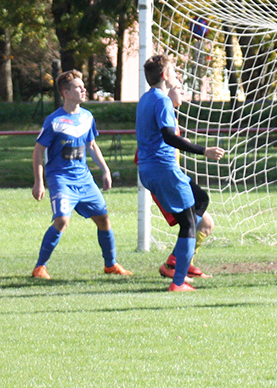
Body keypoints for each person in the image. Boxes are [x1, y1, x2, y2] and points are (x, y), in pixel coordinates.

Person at [30, 70, 132, 279]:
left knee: (103, 219)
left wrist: (105, 170)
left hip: (84, 178)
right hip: (61, 178)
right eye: (78, 87)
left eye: (83, 86)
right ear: (66, 93)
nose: (83, 90)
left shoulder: (87, 117)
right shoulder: (54, 120)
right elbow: (38, 151)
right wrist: (39, 182)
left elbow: (91, 145)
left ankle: (111, 265)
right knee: (61, 221)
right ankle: (40, 267)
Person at [137, 54, 225, 292]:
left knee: (201, 200)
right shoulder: (162, 101)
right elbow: (168, 137)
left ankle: (178, 262)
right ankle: (177, 281)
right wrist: (204, 150)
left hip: (149, 169)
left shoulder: (145, 99)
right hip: (163, 169)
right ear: (165, 75)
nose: (177, 77)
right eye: (174, 72)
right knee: (188, 224)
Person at [144, 79, 215, 282]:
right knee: (192, 221)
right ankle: (174, 266)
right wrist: (202, 150)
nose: (182, 91)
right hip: (163, 177)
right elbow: (154, 146)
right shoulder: (160, 109)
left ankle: (183, 262)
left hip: (168, 175)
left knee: (205, 223)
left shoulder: (167, 115)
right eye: (178, 87)